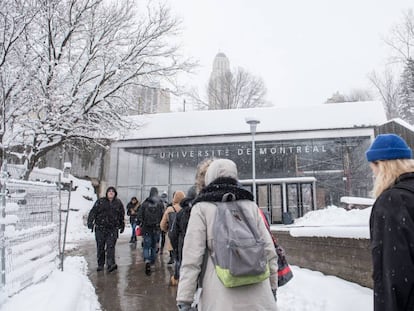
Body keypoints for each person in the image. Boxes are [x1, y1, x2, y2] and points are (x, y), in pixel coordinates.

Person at [176, 159, 278, 310]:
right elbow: (269, 250)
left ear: (209, 178)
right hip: (259, 297)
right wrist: (273, 286)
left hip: (220, 298)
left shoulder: (202, 208)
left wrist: (185, 299)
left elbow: (192, 257)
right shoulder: (250, 206)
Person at [365, 134, 414, 311]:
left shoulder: (392, 201)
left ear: (382, 164)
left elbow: (393, 274)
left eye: (373, 168)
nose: (373, 173)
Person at [170, 159, 213, 286]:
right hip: (209, 258)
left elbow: (172, 233)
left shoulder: (182, 213)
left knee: (187, 271)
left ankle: (180, 280)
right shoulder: (209, 210)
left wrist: (177, 249)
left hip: (185, 247)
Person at [87, 186, 125, 272]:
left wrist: (122, 225)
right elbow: (93, 212)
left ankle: (110, 264)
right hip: (100, 228)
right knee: (100, 247)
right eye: (109, 191)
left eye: (113, 191)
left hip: (112, 229)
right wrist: (90, 222)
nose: (111, 192)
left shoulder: (118, 203)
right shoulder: (100, 201)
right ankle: (100, 264)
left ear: (115, 194)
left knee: (110, 247)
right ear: (107, 193)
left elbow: (121, 215)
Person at [138, 187, 164, 275]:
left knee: (146, 246)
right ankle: (152, 262)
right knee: (154, 246)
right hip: (156, 228)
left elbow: (139, 216)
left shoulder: (145, 203)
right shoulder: (160, 204)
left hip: (146, 228)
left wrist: (141, 223)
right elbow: (162, 216)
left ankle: (147, 260)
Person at [160, 190, 185, 265]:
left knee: (175, 252)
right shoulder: (186, 208)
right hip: (183, 235)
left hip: (172, 234)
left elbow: (162, 224)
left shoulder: (170, 209)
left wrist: (166, 230)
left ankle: (176, 273)